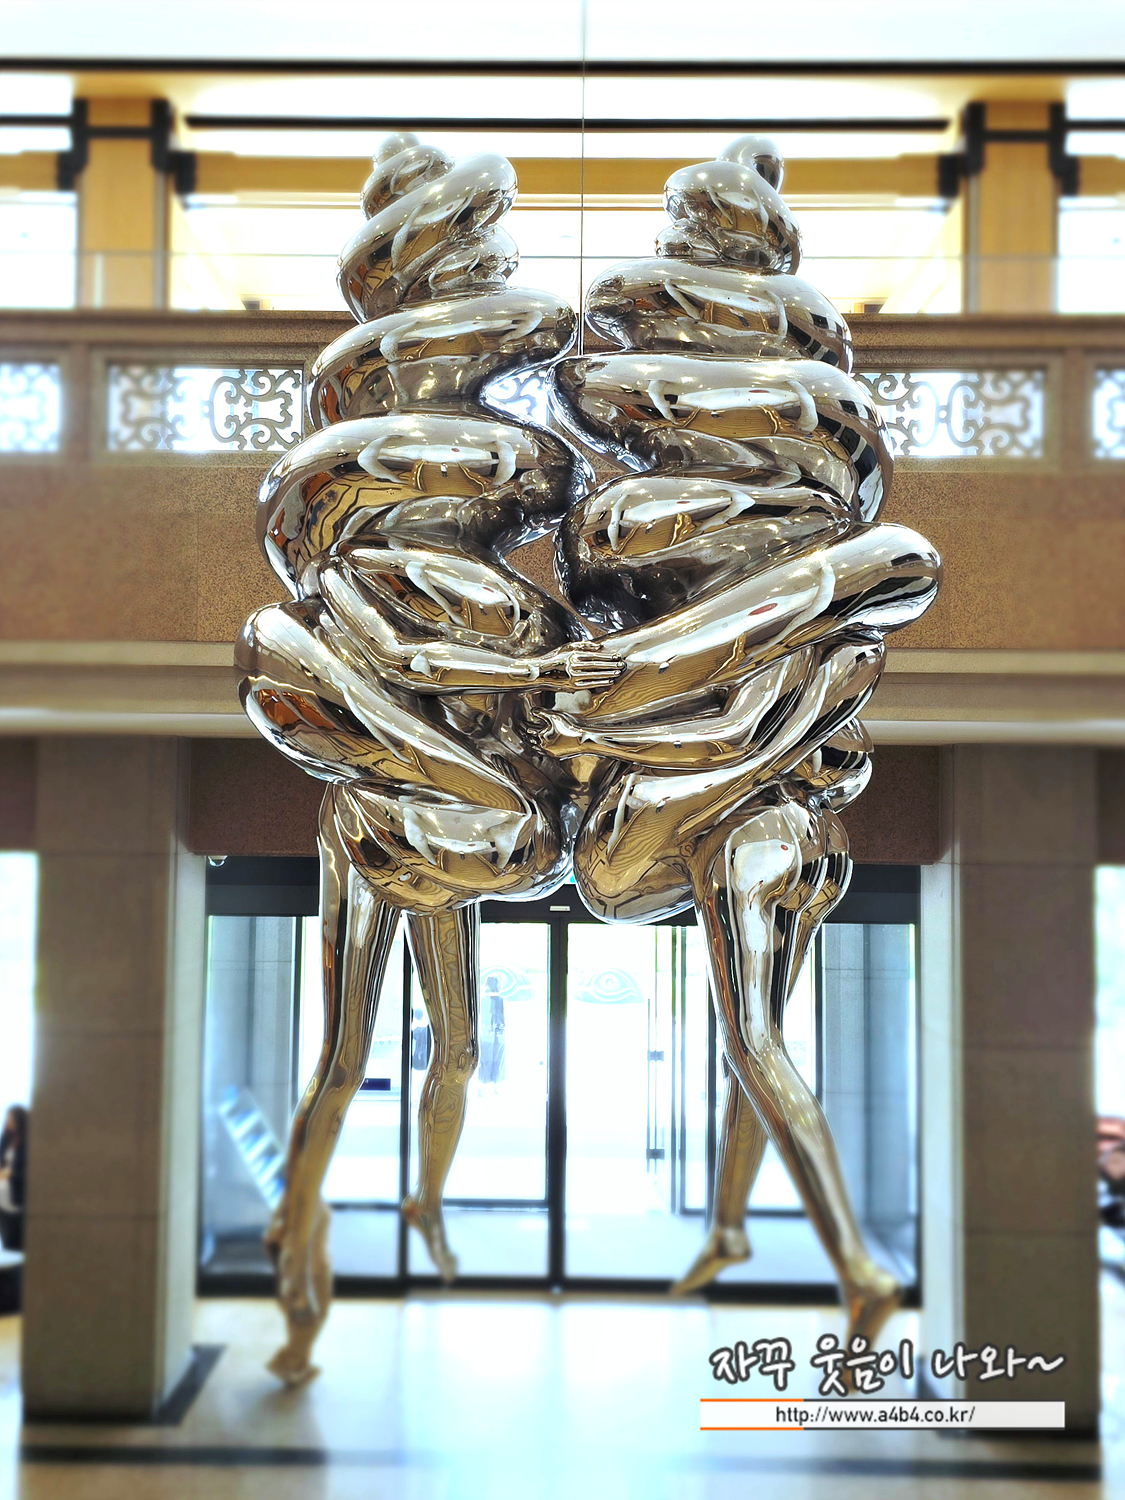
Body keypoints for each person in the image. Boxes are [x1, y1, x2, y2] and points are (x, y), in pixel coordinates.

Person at [0, 1106, 27, 1252]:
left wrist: (8, 1174)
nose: (8, 1122)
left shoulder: (27, 1142)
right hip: (3, 1189)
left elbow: (25, 1172)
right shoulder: (5, 1138)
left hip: (16, 1190)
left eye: (11, 1119)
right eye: (7, 1119)